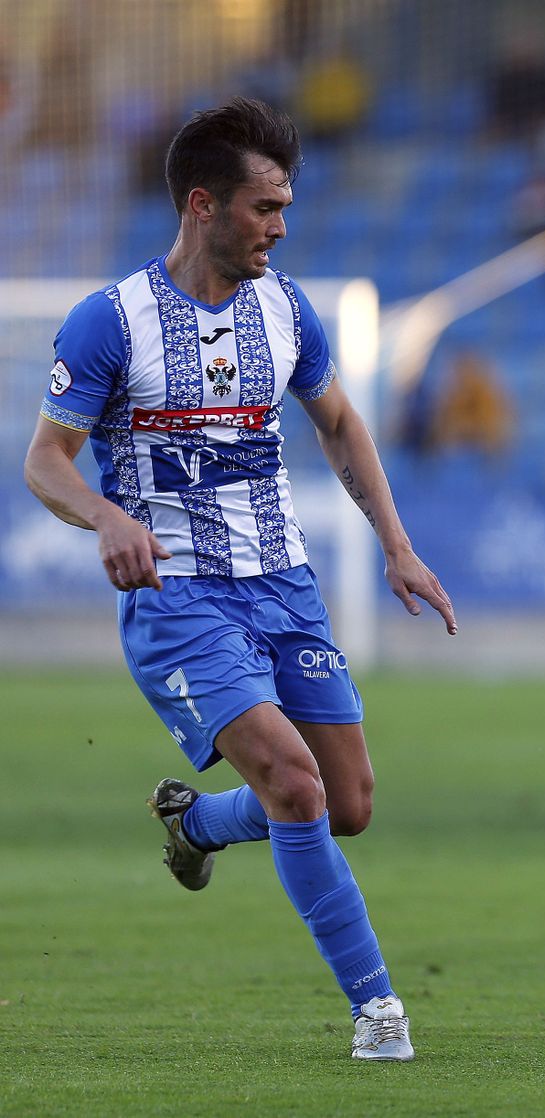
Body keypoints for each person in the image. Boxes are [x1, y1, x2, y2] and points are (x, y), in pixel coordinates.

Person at [22, 97, 456, 1063]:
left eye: (287, 206)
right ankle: (378, 1009)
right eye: (265, 207)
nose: (281, 226)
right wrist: (108, 516)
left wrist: (395, 542)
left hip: (283, 583)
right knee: (297, 786)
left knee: (347, 804)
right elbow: (46, 462)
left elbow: (340, 424)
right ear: (203, 206)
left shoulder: (286, 308)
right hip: (179, 598)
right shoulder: (110, 322)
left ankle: (198, 823)